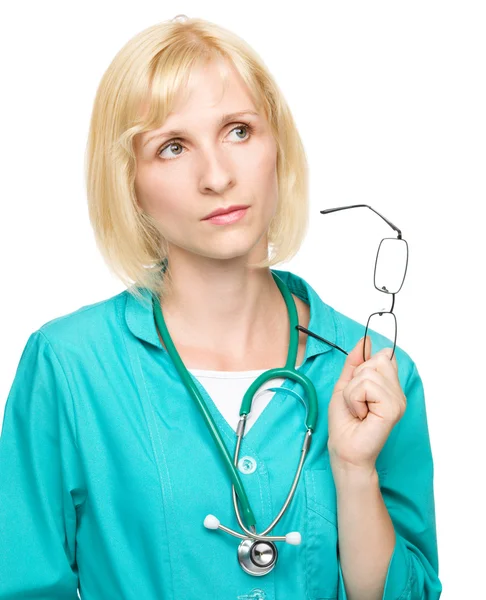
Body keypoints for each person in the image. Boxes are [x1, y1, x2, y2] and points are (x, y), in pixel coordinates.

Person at [0, 15, 442, 600]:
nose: (217, 176)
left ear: (276, 146)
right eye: (173, 147)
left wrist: (355, 473)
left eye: (238, 131)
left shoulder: (376, 379)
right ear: (128, 182)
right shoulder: (70, 367)